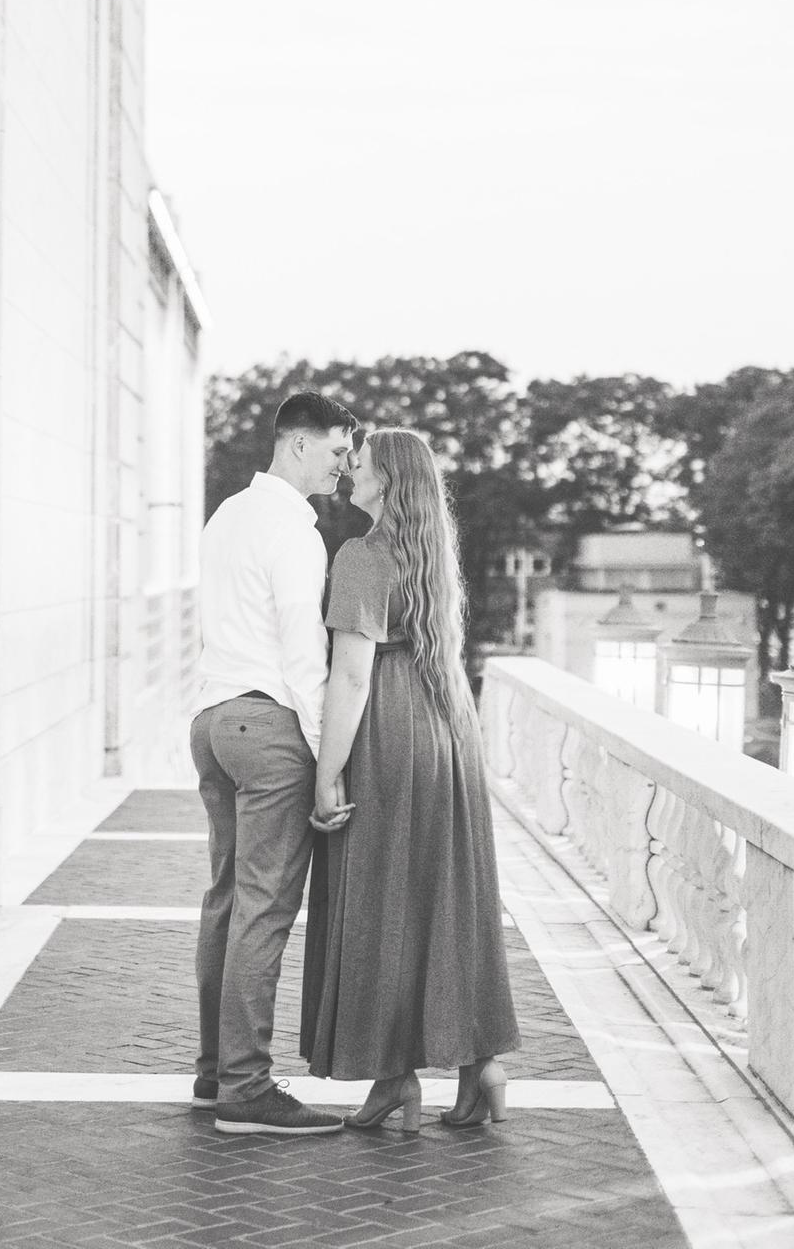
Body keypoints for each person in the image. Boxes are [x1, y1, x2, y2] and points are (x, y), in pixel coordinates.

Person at [300, 427, 520, 1132]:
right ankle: (479, 1065)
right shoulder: (432, 554)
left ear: (387, 481)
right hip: (447, 729)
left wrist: (326, 774)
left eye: (358, 466)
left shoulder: (362, 556)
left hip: (391, 734)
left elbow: (354, 673)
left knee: (382, 900)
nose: (348, 475)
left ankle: (394, 1077)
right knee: (450, 894)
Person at [190, 391, 359, 1136]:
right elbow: (305, 655)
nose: (345, 465)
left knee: (228, 900)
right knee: (264, 908)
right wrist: (329, 765)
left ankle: (214, 1072)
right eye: (335, 451)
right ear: (295, 445)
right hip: (267, 725)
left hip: (213, 719)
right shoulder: (296, 530)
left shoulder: (228, 513)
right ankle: (246, 1089)